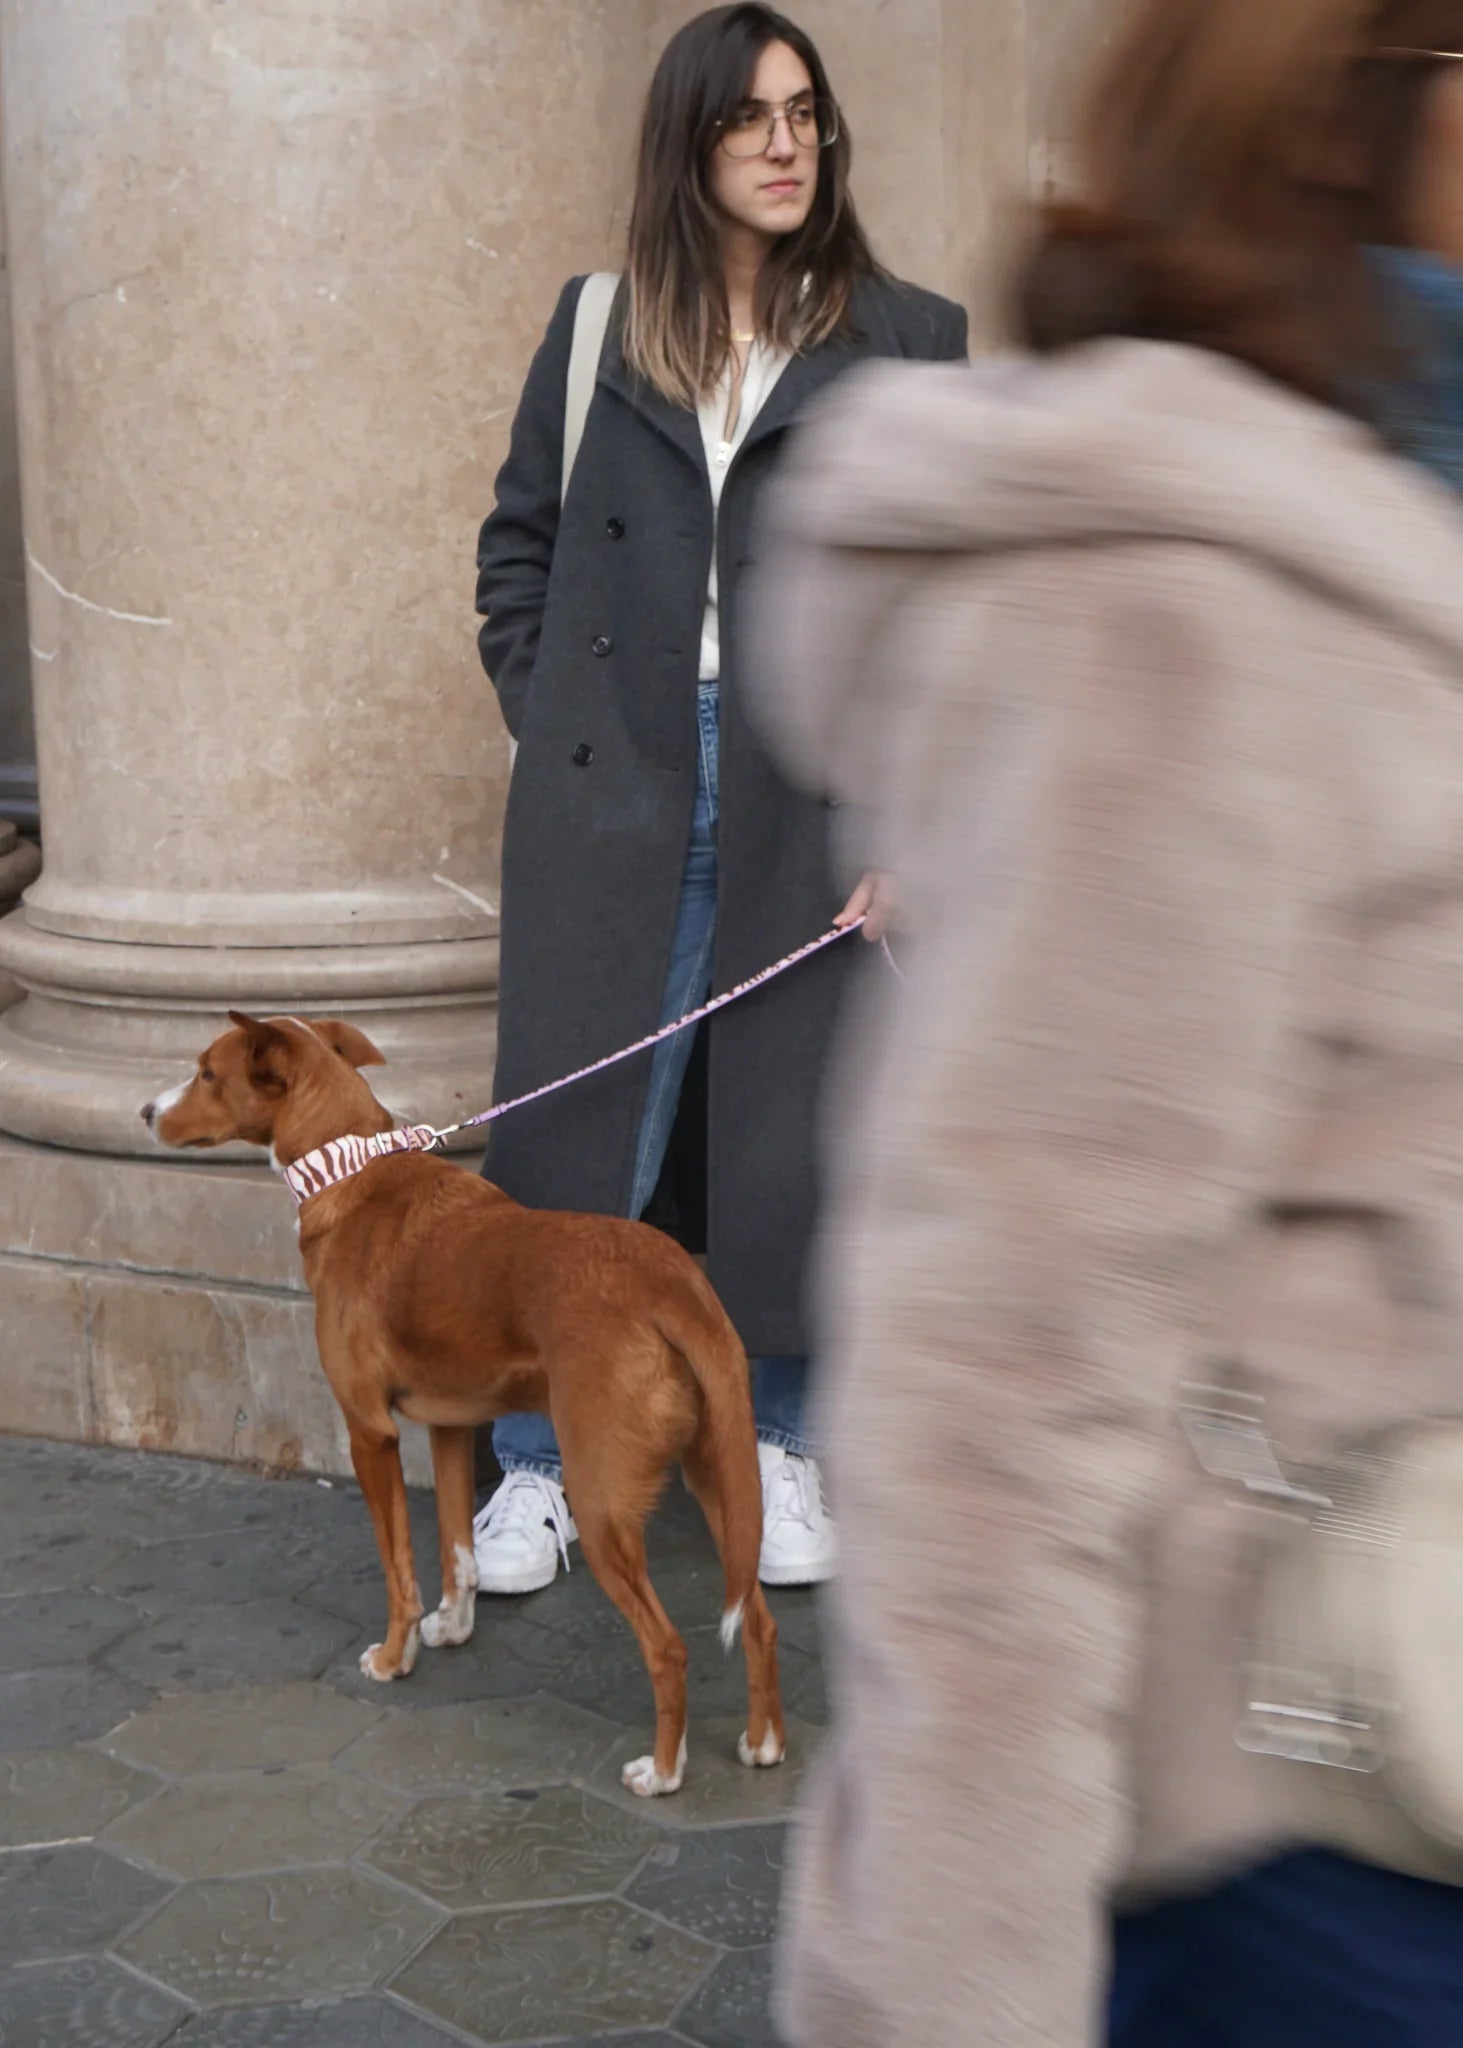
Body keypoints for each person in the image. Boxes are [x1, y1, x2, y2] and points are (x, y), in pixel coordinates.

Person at [747, 1, 1463, 2042]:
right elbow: (1000, 1370)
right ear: (1352, 118)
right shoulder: (1183, 608)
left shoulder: (1394, 506)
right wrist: (949, 1991)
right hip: (1310, 1811)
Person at [472, 3, 968, 1598]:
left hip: (805, 784)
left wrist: (906, 818)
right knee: (574, 1140)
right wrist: (559, 727)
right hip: (614, 784)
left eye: (805, 113)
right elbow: (519, 554)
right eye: (749, 116)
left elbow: (954, 609)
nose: (783, 141)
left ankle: (787, 1448)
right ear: (688, 142)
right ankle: (537, 1469)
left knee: (790, 1139)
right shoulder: (601, 326)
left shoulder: (908, 339)